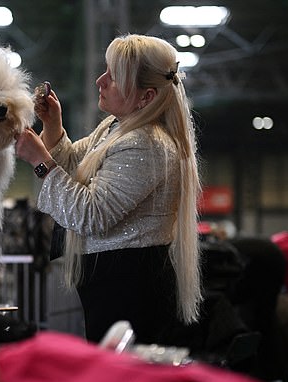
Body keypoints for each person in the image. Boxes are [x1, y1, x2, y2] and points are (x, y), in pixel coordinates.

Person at [15, 33, 202, 345]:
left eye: (114, 77)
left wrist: (39, 160)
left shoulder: (146, 144)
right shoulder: (115, 128)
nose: (100, 81)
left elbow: (91, 215)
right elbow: (74, 168)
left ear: (147, 97)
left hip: (128, 285)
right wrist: (53, 127)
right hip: (111, 280)